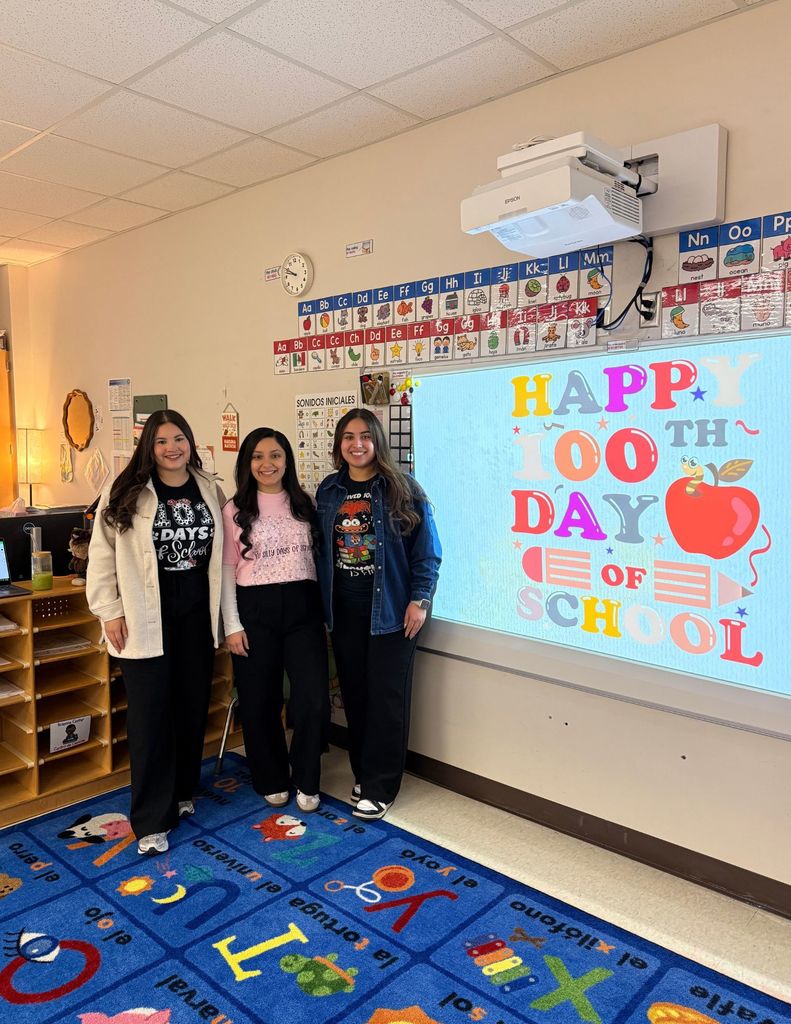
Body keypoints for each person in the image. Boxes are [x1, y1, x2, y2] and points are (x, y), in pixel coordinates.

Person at [87, 410, 225, 855]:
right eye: (162, 441)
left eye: (179, 439)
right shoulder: (125, 490)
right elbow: (101, 554)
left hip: (194, 618)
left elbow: (219, 558)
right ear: (149, 446)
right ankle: (150, 818)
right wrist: (109, 611)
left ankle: (183, 792)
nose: (172, 448)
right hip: (145, 615)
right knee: (149, 719)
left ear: (191, 442)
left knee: (190, 708)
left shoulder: (209, 488)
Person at [316, 408, 441, 820]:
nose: (357, 444)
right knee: (355, 695)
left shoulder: (403, 489)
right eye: (348, 436)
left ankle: (381, 787)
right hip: (345, 611)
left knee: (387, 698)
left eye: (366, 436)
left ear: (378, 442)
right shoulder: (329, 491)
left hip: (392, 612)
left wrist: (419, 600)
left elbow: (428, 554)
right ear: (339, 445)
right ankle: (365, 773)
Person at [221, 428, 329, 813]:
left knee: (314, 698)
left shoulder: (306, 503)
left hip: (303, 608)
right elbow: (225, 570)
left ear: (287, 460)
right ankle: (270, 776)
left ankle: (307, 778)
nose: (267, 464)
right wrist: (231, 625)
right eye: (257, 457)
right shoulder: (234, 509)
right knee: (258, 700)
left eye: (276, 455)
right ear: (247, 463)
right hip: (254, 609)